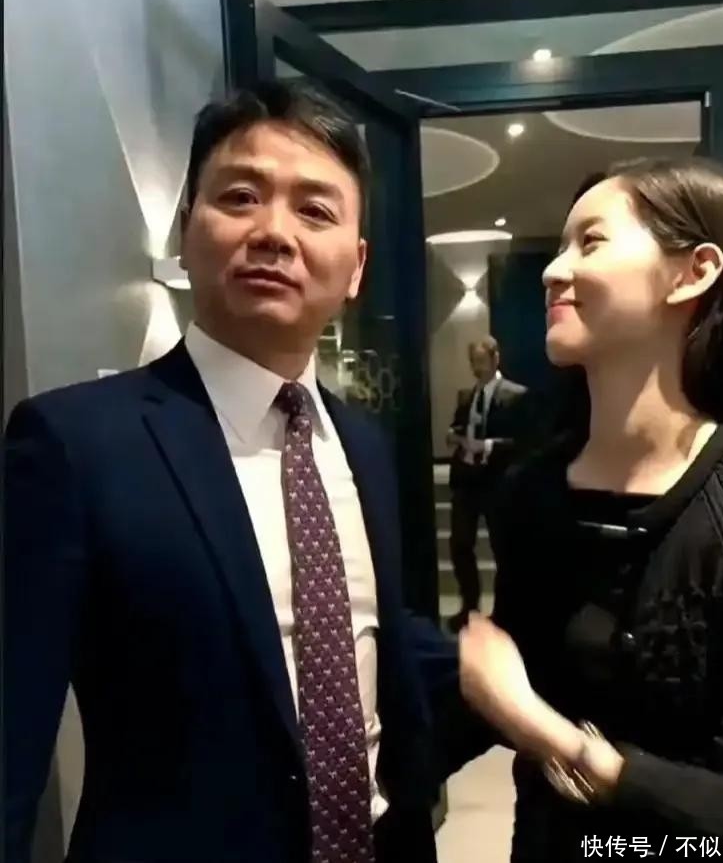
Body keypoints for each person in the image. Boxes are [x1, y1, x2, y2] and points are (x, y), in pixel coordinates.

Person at [4, 81, 455, 863]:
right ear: (187, 232)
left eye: (315, 210)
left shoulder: (365, 446)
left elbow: (374, 648)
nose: (273, 232)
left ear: (356, 267)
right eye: (240, 197)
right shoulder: (74, 444)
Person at [448, 158, 723, 860]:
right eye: (560, 246)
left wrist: (550, 735)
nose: (554, 271)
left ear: (693, 272)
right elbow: (495, 689)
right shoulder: (533, 491)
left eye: (592, 242)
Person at [445, 337, 528, 632]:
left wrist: (488, 445)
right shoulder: (466, 396)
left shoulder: (516, 396)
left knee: (502, 547)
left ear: (495, 359)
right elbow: (457, 426)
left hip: (497, 482)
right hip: (466, 479)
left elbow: (523, 441)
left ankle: (506, 611)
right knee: (460, 545)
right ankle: (469, 606)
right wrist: (454, 435)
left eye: (481, 361)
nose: (476, 368)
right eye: (473, 362)